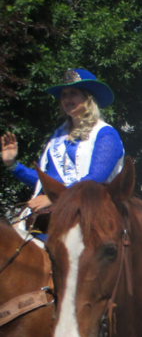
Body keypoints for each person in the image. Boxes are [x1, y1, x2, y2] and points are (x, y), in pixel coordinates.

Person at [2, 69, 124, 236]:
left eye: (73, 93)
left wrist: (54, 198)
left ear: (88, 98)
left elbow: (96, 180)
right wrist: (12, 165)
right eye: (64, 94)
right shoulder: (58, 135)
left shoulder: (105, 134)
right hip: (52, 212)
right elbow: (45, 182)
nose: (67, 99)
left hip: (90, 216)